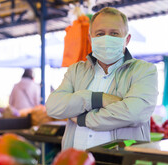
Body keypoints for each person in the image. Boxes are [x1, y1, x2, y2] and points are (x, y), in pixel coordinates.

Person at [46, 7, 158, 150]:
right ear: (90, 39)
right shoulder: (76, 71)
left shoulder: (144, 71)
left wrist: (82, 119)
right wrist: (97, 99)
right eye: (100, 34)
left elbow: (134, 114)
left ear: (127, 39)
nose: (106, 38)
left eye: (114, 33)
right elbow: (53, 106)